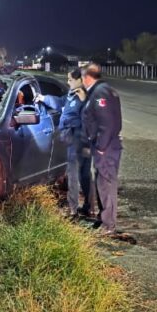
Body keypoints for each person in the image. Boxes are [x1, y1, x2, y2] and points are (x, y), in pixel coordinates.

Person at [81, 63, 123, 234]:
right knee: (102, 182)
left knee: (106, 184)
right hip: (106, 145)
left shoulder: (100, 93)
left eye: (82, 77)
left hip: (106, 147)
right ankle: (103, 218)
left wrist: (100, 147)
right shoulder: (105, 90)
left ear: (87, 77)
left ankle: (108, 225)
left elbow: (107, 123)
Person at [59, 68, 93, 218]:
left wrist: (85, 100)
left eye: (70, 80)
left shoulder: (85, 96)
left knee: (74, 174)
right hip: (83, 141)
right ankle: (89, 207)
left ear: (79, 80)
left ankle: (73, 210)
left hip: (79, 140)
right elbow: (61, 103)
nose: (68, 82)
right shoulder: (72, 94)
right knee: (84, 174)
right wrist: (44, 98)